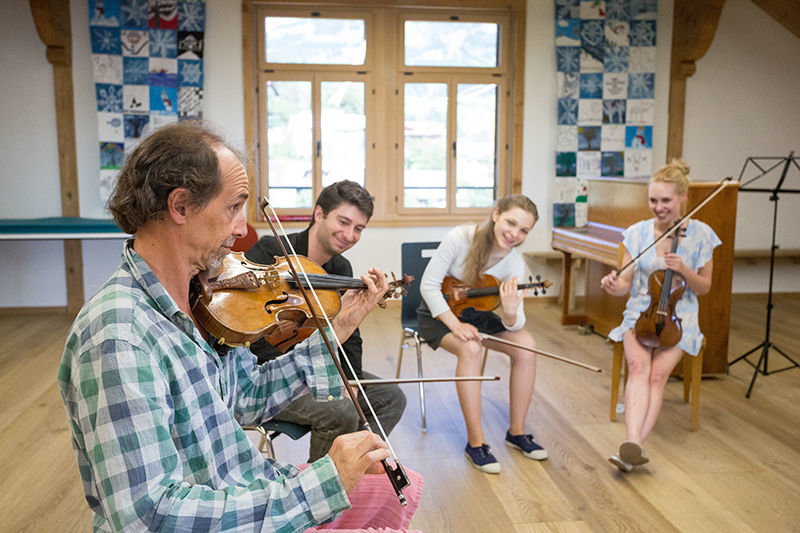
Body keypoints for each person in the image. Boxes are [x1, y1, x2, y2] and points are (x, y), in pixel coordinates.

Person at [57, 122, 421, 531]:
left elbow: (245, 395)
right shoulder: (118, 337)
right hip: (224, 513)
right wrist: (322, 483)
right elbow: (150, 514)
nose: (242, 229)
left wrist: (344, 321)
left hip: (245, 487)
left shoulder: (197, 304)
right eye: (233, 207)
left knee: (396, 489)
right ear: (180, 206)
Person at [245, 180, 407, 462]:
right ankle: (319, 489)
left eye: (358, 228)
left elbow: (351, 336)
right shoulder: (270, 253)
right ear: (319, 214)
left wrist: (351, 380)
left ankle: (348, 471)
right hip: (265, 374)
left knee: (391, 398)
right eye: (343, 222)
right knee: (341, 411)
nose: (349, 235)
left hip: (314, 367)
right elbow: (244, 332)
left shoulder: (339, 268)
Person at [600, 159, 720, 472]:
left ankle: (634, 445)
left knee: (656, 376)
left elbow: (705, 288)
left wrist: (684, 270)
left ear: (683, 198)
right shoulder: (638, 233)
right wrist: (613, 285)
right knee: (639, 366)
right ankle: (633, 443)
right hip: (641, 314)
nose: (658, 207)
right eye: (653, 200)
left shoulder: (702, 235)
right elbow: (624, 281)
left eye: (666, 200)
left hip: (680, 321)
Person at [417, 194, 547, 474]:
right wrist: (455, 326)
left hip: (476, 313)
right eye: (511, 223)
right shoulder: (460, 237)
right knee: (472, 348)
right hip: (438, 312)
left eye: (524, 230)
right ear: (496, 214)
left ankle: (517, 432)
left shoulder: (514, 263)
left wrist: (511, 312)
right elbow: (428, 287)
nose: (515, 234)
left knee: (527, 346)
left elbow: (517, 322)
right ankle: (476, 444)